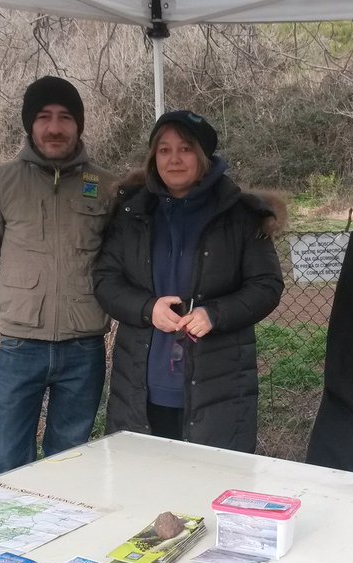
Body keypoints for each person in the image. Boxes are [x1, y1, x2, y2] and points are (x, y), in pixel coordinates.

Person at [93, 110, 284, 453]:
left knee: (209, 488)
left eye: (185, 148)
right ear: (154, 158)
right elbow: (106, 280)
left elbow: (267, 285)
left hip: (218, 386)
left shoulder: (241, 216)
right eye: (164, 150)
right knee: (142, 486)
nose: (174, 159)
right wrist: (147, 308)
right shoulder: (131, 213)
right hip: (143, 383)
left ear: (204, 156)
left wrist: (216, 314)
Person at [0, 76, 113, 477]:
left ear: (78, 125)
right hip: (19, 347)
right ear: (30, 125)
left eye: (65, 117)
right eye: (44, 117)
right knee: (8, 459)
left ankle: (65, 536)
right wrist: (17, 307)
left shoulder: (106, 186)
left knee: (71, 460)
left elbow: (117, 265)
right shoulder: (2, 182)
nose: (55, 127)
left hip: (84, 349)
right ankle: (7, 535)